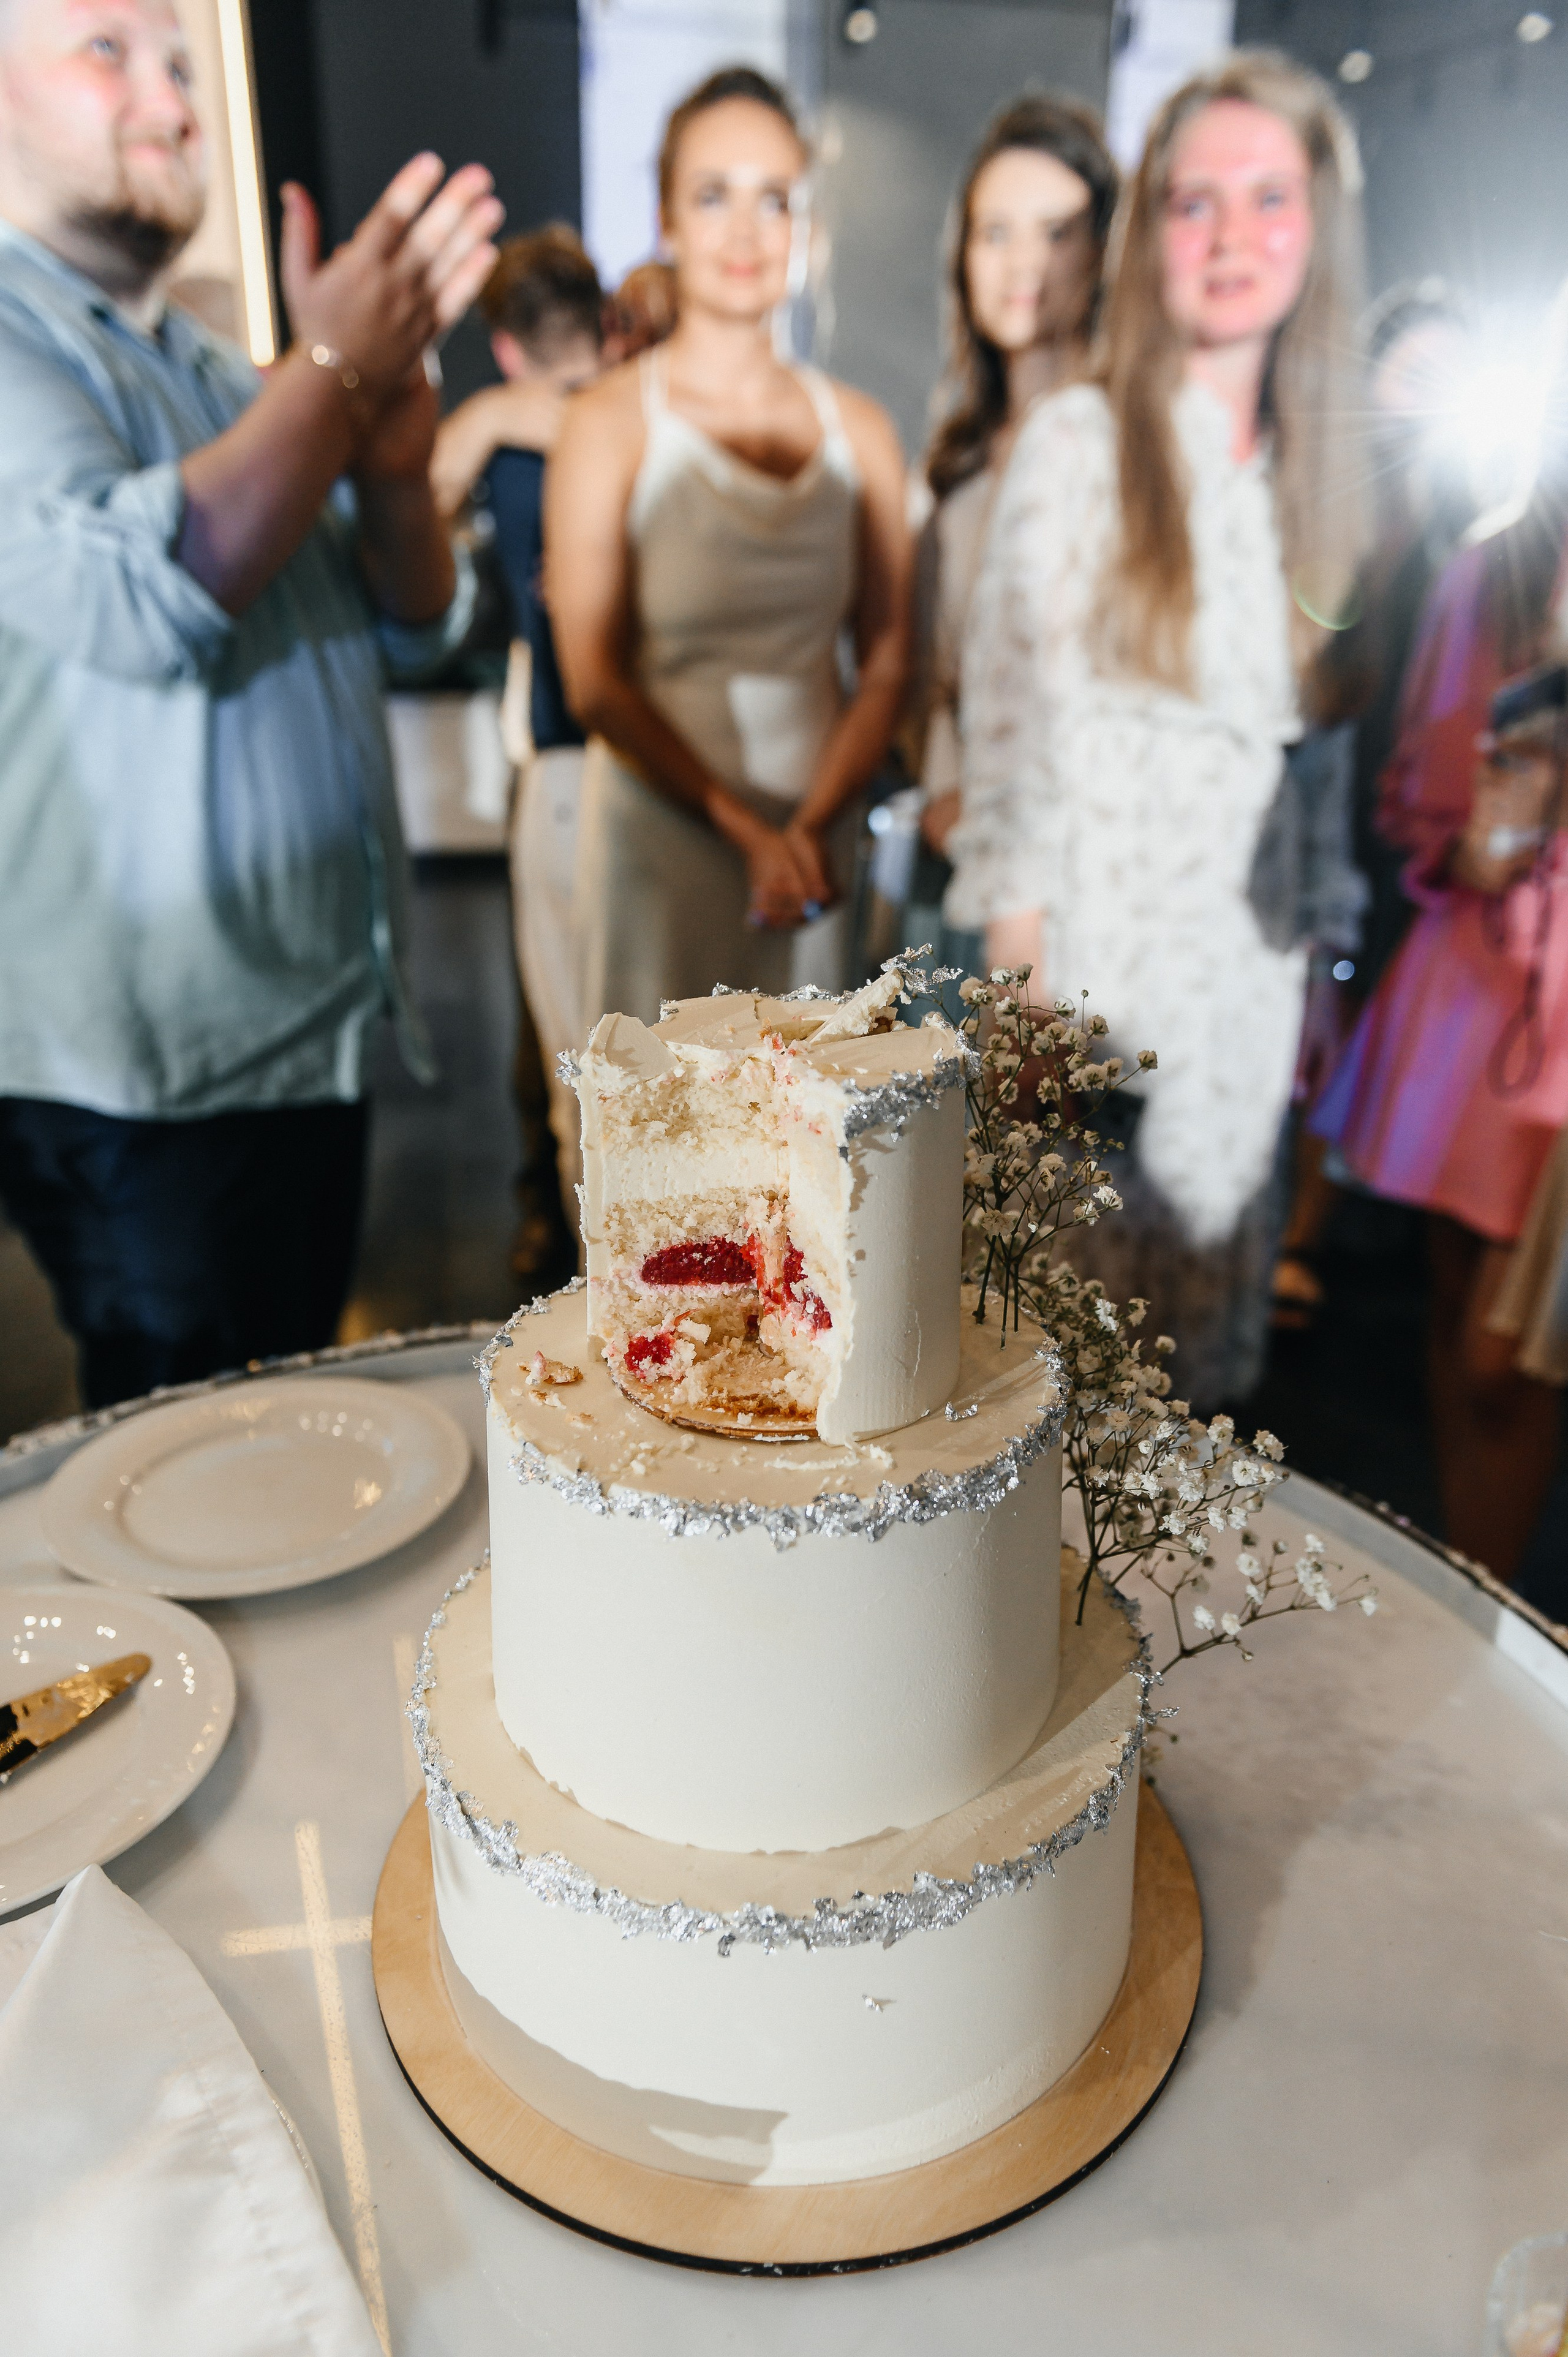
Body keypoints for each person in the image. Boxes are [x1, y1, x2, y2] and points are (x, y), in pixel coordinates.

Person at [0, 0, 501, 1406]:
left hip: (298, 1035)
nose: (168, 99)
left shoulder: (228, 374)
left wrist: (393, 467)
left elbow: (415, 630)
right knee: (171, 1465)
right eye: (107, 50)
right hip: (142, 1073)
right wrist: (336, 375)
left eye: (176, 64)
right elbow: (147, 594)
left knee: (276, 1436)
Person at [952, 51, 1366, 1408]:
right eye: (1196, 202)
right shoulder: (1077, 445)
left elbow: (1307, 773)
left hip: (1235, 1022)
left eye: (1269, 198)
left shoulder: (1312, 487)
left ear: (1318, 228)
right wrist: (1023, 1027)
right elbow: (1007, 759)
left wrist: (1303, 990)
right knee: (1055, 1406)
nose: (1233, 236)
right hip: (1092, 1010)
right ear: (1149, 234)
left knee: (1192, 1416)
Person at [547, 66, 910, 1028]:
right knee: (660, 1147)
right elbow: (592, 679)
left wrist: (808, 826)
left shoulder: (862, 431)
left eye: (774, 200)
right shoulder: (606, 422)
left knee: (812, 1149)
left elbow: (887, 658)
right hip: (667, 841)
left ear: (807, 230)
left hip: (816, 845)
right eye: (714, 196)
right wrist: (745, 829)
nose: (745, 233)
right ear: (668, 218)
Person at [1313, 297, 1568, 1579]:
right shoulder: (1493, 561)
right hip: (1478, 972)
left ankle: (1501, 1601)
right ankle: (1476, 1586)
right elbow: (1412, 780)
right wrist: (1469, 831)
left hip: (1550, 996)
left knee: (1510, 1350)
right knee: (1456, 1315)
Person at [1270, 282, 1477, 1332]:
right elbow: (1302, 668)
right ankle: (1277, 1229)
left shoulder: (1466, 544)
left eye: (1450, 376)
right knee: (1298, 1014)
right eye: (1413, 369)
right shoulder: (1323, 506)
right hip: (1304, 804)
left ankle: (1303, 1234)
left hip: (1400, 827)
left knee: (1345, 1034)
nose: (1425, 394)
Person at [431, 227, 604, 1259]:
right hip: (684, 772)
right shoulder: (650, 408)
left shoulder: (498, 426)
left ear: (505, 343)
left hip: (570, 766)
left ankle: (597, 1289)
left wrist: (495, 415)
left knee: (576, 1064)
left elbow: (414, 524)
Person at [916, 95, 1117, 872]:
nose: (1021, 262)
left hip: (1102, 862)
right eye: (994, 232)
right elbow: (940, 679)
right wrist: (943, 793)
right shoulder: (954, 468)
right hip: (978, 858)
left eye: (1056, 232)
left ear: (1100, 250)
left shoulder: (1131, 451)